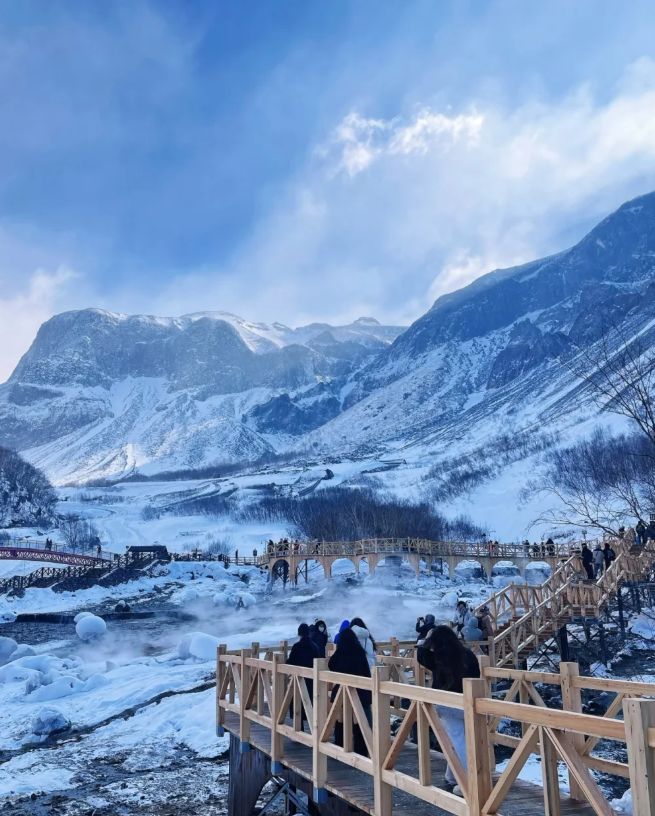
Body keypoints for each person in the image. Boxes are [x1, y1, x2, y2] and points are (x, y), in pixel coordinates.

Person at [417, 626, 482, 793]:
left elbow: (421, 656)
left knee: (456, 741)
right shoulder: (468, 654)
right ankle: (452, 778)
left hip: (447, 704)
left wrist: (425, 639)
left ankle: (467, 781)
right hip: (470, 702)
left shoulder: (439, 656)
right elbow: (477, 675)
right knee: (462, 741)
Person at [328, 627, 372, 756]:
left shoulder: (340, 652)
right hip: (360, 693)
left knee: (340, 720)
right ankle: (361, 750)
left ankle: (340, 745)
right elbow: (366, 671)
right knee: (361, 722)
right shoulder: (359, 652)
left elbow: (331, 665)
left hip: (342, 693)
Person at [286, 623, 320, 730]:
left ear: (299, 634)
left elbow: (290, 662)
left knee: (297, 705)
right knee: (310, 706)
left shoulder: (296, 646)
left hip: (298, 681)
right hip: (311, 681)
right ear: (308, 633)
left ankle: (299, 729)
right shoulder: (315, 647)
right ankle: (314, 731)